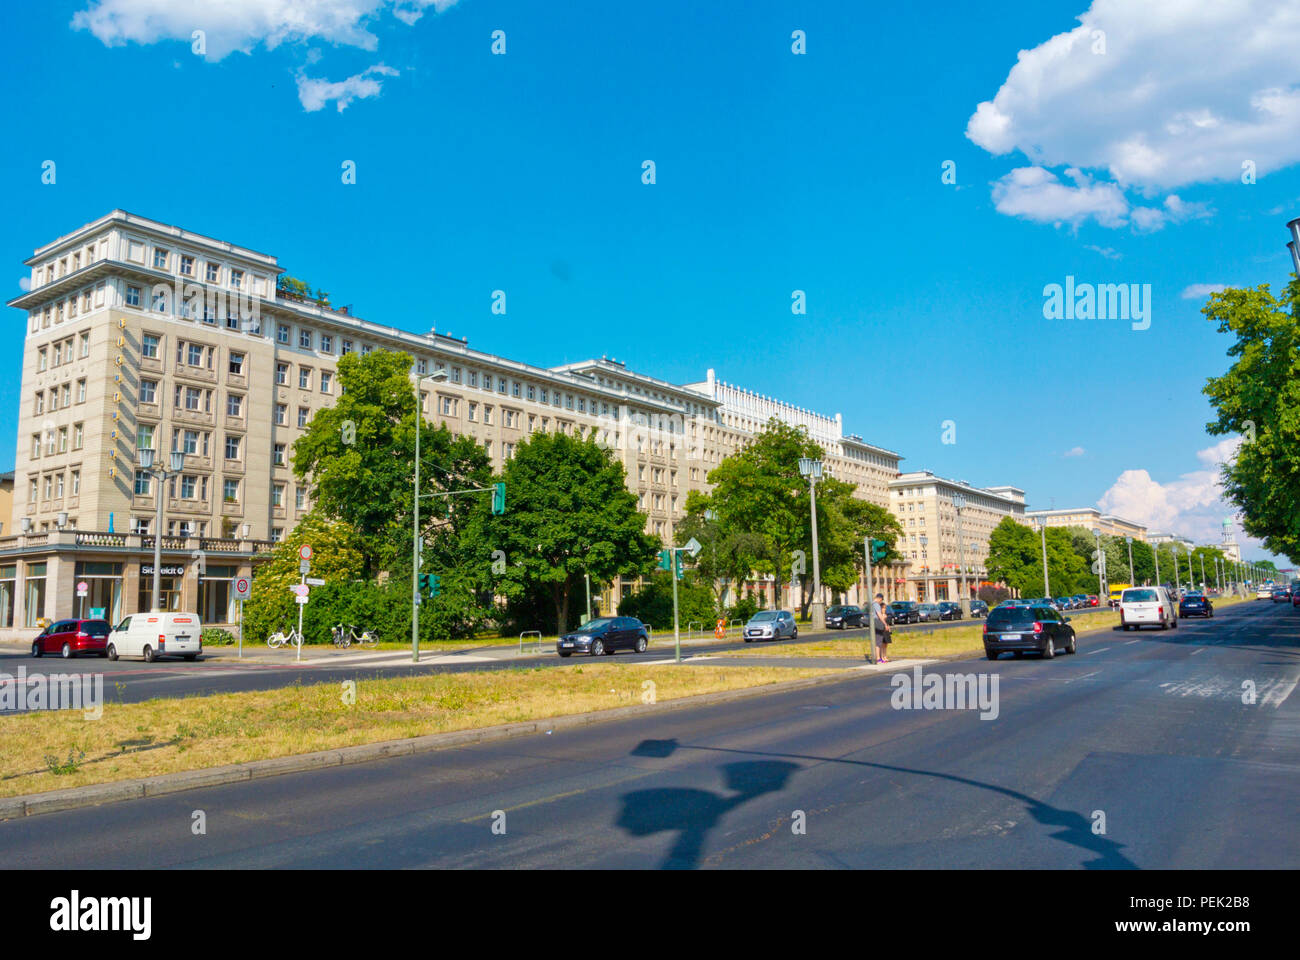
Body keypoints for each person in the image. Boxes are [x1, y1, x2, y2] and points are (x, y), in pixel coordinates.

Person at [871, 593, 892, 663]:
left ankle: (879, 657)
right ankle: (878, 658)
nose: (881, 602)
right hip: (877, 623)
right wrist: (885, 624)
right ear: (879, 598)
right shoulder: (876, 604)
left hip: (873, 623)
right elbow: (879, 614)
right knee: (879, 640)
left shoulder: (871, 604)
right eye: (881, 600)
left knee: (878, 640)